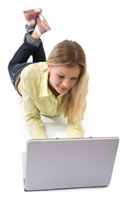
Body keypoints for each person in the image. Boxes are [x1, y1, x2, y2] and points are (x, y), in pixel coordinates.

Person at [8, 8, 89, 139]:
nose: (66, 84)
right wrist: (43, 146)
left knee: (40, 61)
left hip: (42, 70)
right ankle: (34, 33)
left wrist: (75, 145)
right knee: (12, 64)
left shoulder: (82, 79)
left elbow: (76, 121)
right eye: (61, 76)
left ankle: (34, 26)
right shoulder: (29, 76)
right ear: (49, 67)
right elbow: (32, 117)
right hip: (21, 72)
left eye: (73, 78)